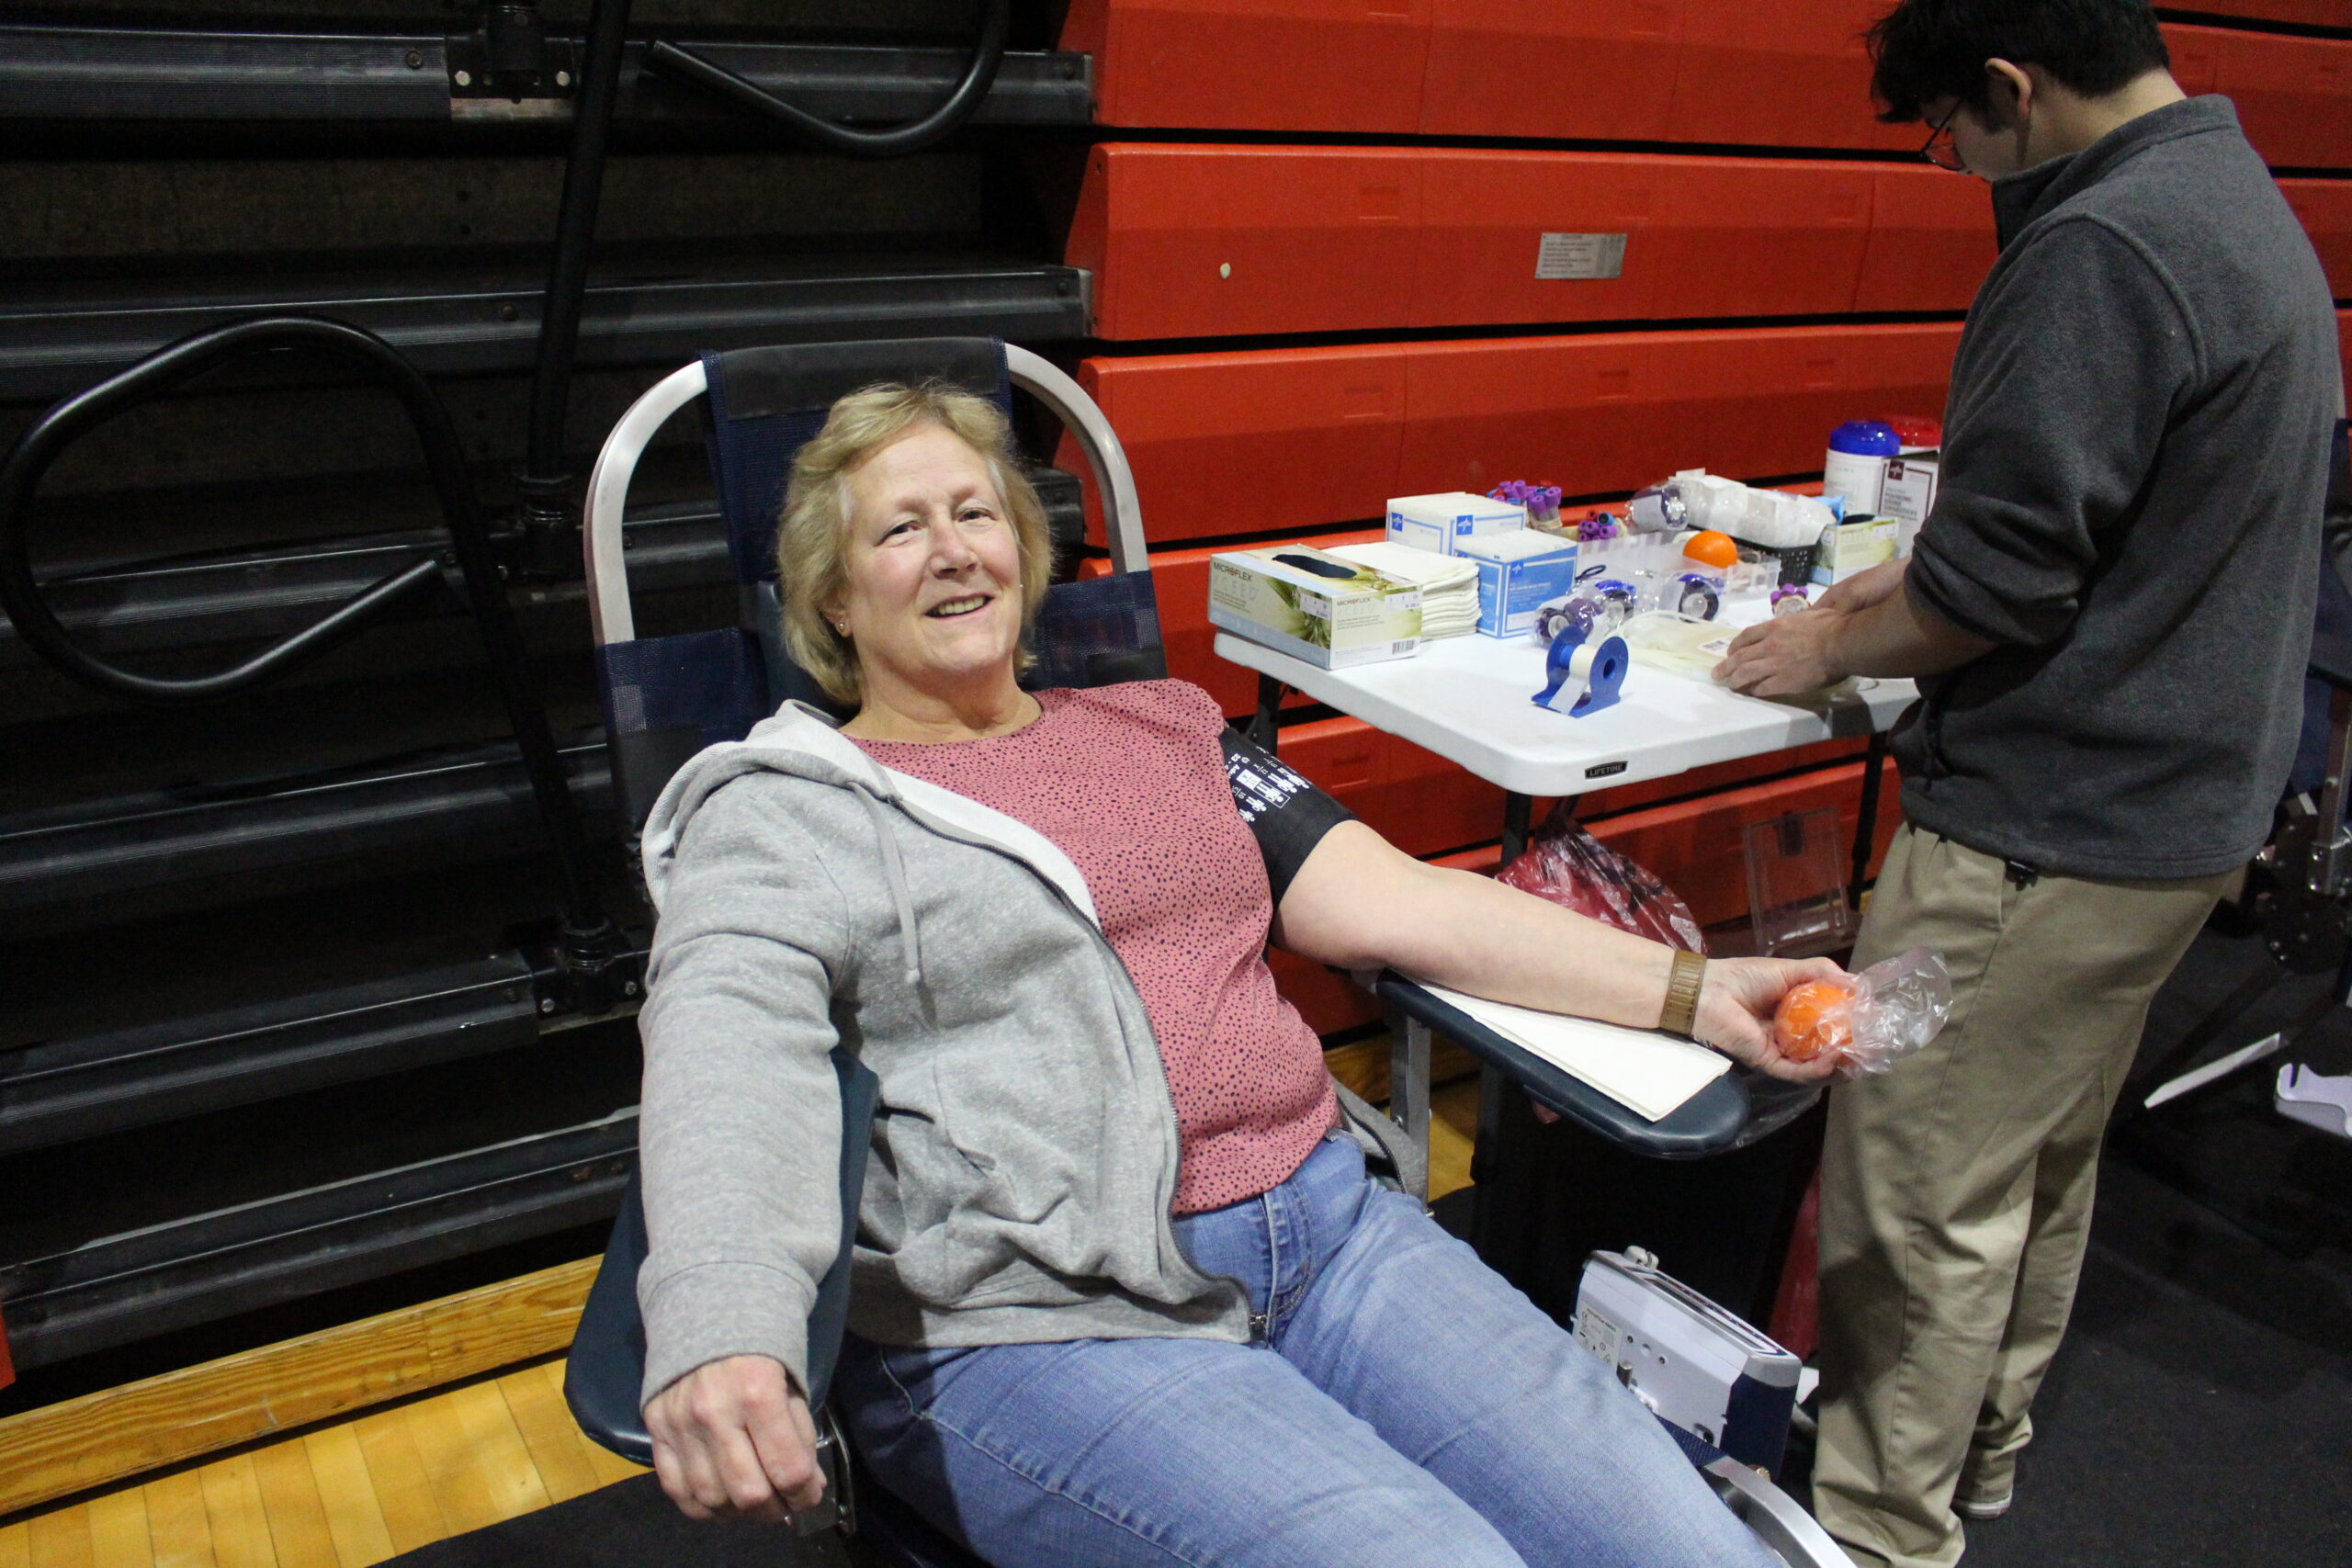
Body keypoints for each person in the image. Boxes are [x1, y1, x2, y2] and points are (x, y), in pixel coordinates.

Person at [629, 378, 1844, 1567]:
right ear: (833, 598)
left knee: (1678, 1541)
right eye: (900, 530)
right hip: (1044, 1316)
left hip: (1333, 1239)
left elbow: (1406, 901)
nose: (952, 550)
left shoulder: (1162, 727)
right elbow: (727, 1054)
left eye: (975, 512)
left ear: (1024, 550)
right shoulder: (788, 808)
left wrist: (1693, 991)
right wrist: (722, 1318)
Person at [1714, 3, 2342, 1564]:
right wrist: (1901, 593)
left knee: (1919, 1185)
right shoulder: (2231, 195)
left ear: (2012, 84)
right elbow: (2127, 524)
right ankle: (1978, 1457)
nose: (1954, 162)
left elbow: (2003, 582)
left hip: (2047, 833)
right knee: (2035, 1164)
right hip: (2176, 821)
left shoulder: (2102, 247)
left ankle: (1877, 1532)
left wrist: (1835, 647)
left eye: (1949, 134)